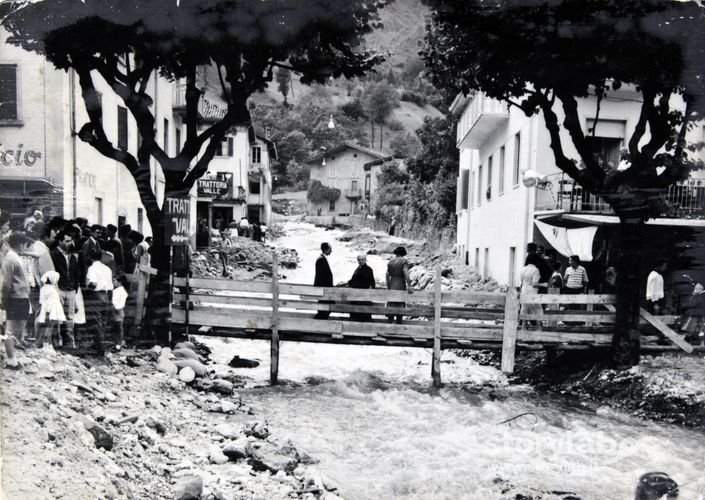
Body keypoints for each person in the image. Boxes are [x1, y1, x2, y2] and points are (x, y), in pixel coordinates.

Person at [1, 232, 33, 368]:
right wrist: (4, 299)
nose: (26, 248)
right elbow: (6, 283)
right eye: (25, 245)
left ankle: (12, 357)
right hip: (15, 297)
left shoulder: (15, 257)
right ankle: (11, 360)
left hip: (21, 297)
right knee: (10, 330)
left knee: (17, 330)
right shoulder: (10, 259)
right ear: (20, 244)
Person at [51, 231, 79, 349]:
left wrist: (75, 288)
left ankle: (69, 343)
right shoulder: (53, 254)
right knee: (57, 317)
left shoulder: (72, 256)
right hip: (59, 289)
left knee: (69, 318)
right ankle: (56, 342)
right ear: (60, 241)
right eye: (67, 241)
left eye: (70, 241)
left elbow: (76, 273)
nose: (69, 243)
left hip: (71, 289)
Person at [85, 249, 114, 353]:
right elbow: (111, 286)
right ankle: (101, 344)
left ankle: (100, 347)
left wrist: (87, 291)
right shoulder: (107, 269)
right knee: (104, 321)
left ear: (90, 257)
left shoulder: (92, 268)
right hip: (106, 295)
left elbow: (93, 283)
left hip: (96, 295)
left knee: (96, 321)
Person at [35, 270, 65, 349]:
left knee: (50, 327)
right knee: (50, 328)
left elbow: (41, 301)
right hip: (51, 310)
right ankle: (47, 344)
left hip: (49, 309)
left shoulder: (44, 288)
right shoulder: (51, 289)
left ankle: (48, 343)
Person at [386, 246, 413, 324]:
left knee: (391, 305)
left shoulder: (390, 262)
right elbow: (405, 272)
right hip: (400, 283)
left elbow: (387, 275)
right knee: (400, 305)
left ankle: (388, 327)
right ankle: (398, 326)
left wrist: (388, 286)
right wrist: (409, 285)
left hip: (392, 284)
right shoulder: (404, 260)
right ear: (403, 253)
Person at [348, 254, 375, 321]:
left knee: (363, 316)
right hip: (356, 296)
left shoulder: (368, 269)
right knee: (355, 316)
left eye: (362, 260)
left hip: (363, 296)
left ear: (365, 260)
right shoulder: (357, 269)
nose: (361, 261)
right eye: (359, 260)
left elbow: (371, 282)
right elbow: (353, 280)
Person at [519, 257, 543, 329]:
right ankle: (539, 327)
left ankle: (523, 326)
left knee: (524, 308)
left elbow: (522, 281)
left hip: (524, 290)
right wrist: (543, 284)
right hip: (532, 291)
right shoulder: (535, 270)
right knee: (538, 309)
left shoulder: (523, 269)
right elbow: (534, 283)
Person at [313, 242, 334, 319]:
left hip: (324, 289)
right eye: (330, 249)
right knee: (323, 310)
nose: (331, 251)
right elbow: (321, 276)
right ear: (326, 249)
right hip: (323, 289)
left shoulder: (322, 258)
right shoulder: (321, 259)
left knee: (325, 309)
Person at [111, 275, 129, 349]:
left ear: (119, 282)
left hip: (118, 311)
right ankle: (115, 343)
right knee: (115, 329)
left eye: (114, 280)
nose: (113, 282)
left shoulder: (122, 291)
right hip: (114, 311)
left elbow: (121, 303)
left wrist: (116, 307)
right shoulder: (115, 290)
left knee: (119, 329)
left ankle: (118, 345)